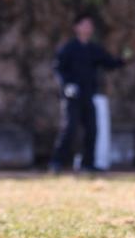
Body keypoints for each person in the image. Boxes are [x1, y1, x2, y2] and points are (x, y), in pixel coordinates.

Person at [49, 12, 128, 173]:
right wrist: (66, 86)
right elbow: (58, 68)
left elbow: (109, 63)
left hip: (88, 95)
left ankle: (88, 164)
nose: (88, 28)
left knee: (92, 129)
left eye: (90, 25)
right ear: (76, 27)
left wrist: (123, 59)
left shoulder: (93, 49)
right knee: (69, 129)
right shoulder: (69, 48)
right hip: (72, 96)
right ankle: (56, 163)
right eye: (84, 24)